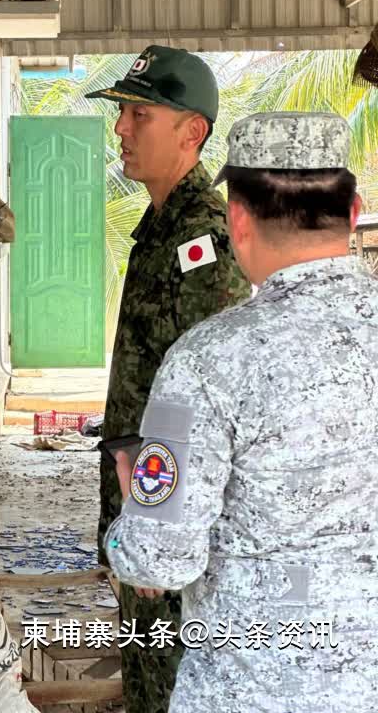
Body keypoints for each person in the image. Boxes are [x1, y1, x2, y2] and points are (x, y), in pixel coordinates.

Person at [105, 111, 378, 712]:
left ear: (238, 220)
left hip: (250, 689)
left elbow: (158, 558)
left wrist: (134, 522)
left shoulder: (206, 362)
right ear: (354, 211)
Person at [86, 46, 251, 712]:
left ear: (192, 131)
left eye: (140, 114)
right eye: (123, 112)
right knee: (147, 672)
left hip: (168, 519)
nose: (121, 128)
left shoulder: (201, 242)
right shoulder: (160, 225)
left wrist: (159, 528)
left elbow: (203, 410)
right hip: (144, 502)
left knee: (172, 683)